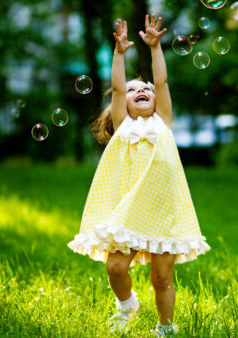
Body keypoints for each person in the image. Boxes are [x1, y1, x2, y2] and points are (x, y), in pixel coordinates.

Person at [68, 14, 210, 336]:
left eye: (146, 88)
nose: (143, 90)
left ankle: (165, 327)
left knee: (162, 277)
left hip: (164, 210)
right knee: (115, 266)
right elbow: (118, 86)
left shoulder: (163, 121)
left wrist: (155, 47)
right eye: (135, 91)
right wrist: (119, 53)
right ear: (123, 105)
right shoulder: (124, 126)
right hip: (129, 210)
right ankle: (127, 303)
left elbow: (161, 81)